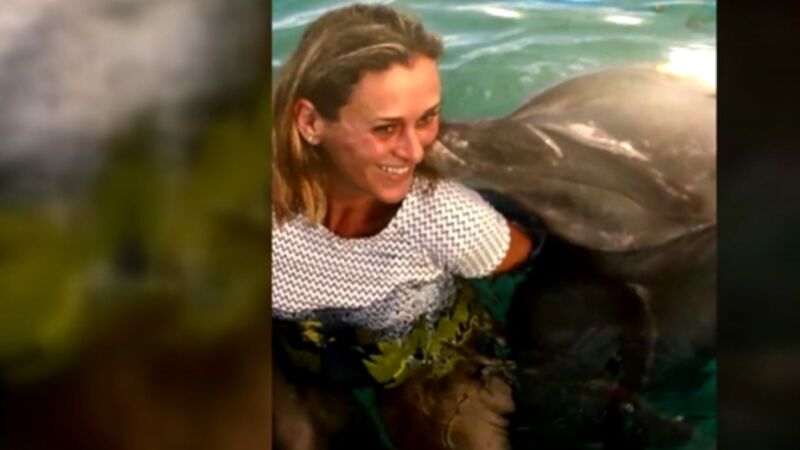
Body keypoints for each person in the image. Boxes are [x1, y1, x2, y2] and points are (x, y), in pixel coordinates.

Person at [271, 4, 543, 450]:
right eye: (386, 128)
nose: (415, 152)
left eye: (427, 118)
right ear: (311, 122)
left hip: (429, 363)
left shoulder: (449, 218)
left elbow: (530, 258)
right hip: (293, 360)